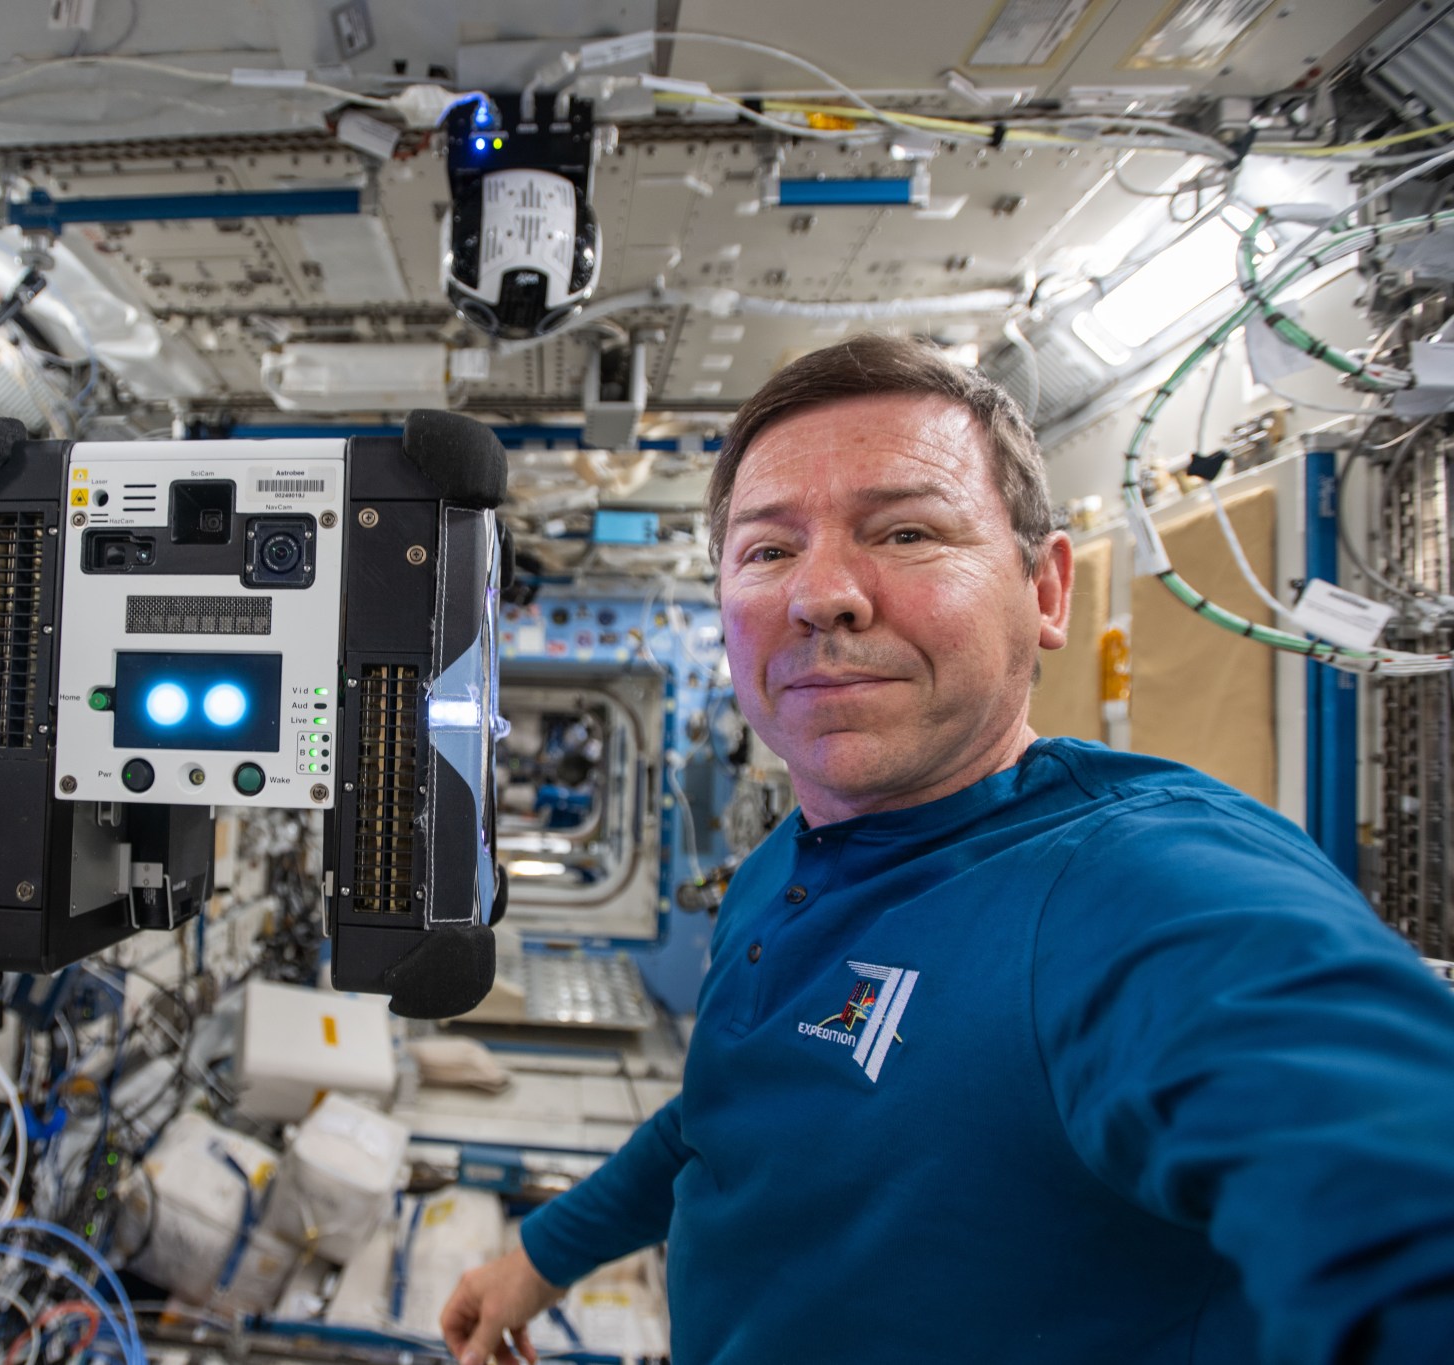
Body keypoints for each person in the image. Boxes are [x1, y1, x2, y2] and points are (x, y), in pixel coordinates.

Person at [439, 333, 1454, 1365]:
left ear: (1046, 591)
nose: (820, 593)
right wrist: (541, 1253)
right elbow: (730, 1110)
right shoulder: (775, 871)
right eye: (766, 550)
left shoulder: (1135, 891)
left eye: (908, 531)